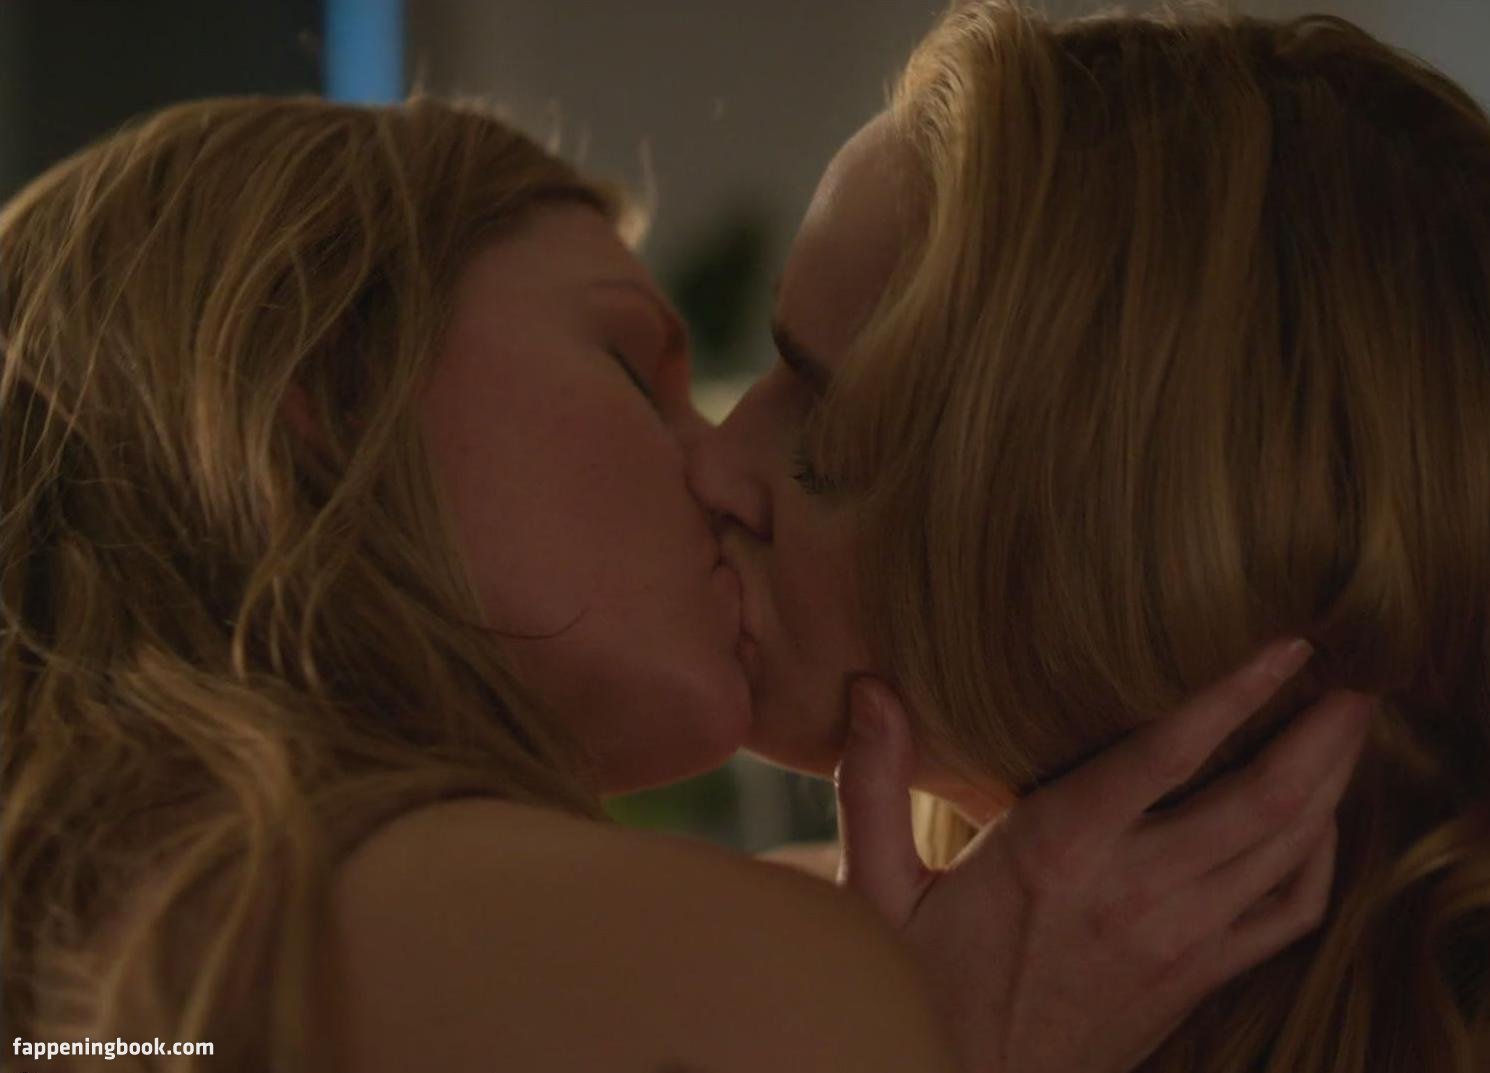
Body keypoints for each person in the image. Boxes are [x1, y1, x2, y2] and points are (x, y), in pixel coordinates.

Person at [0, 94, 1367, 1072]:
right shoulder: (683, 961)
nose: (715, 462)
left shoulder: (82, 956)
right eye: (630, 366)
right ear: (325, 393)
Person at [687, 4, 1490, 1072]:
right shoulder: (762, 948)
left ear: (1125, 548)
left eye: (831, 437)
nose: (714, 463)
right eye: (769, 363)